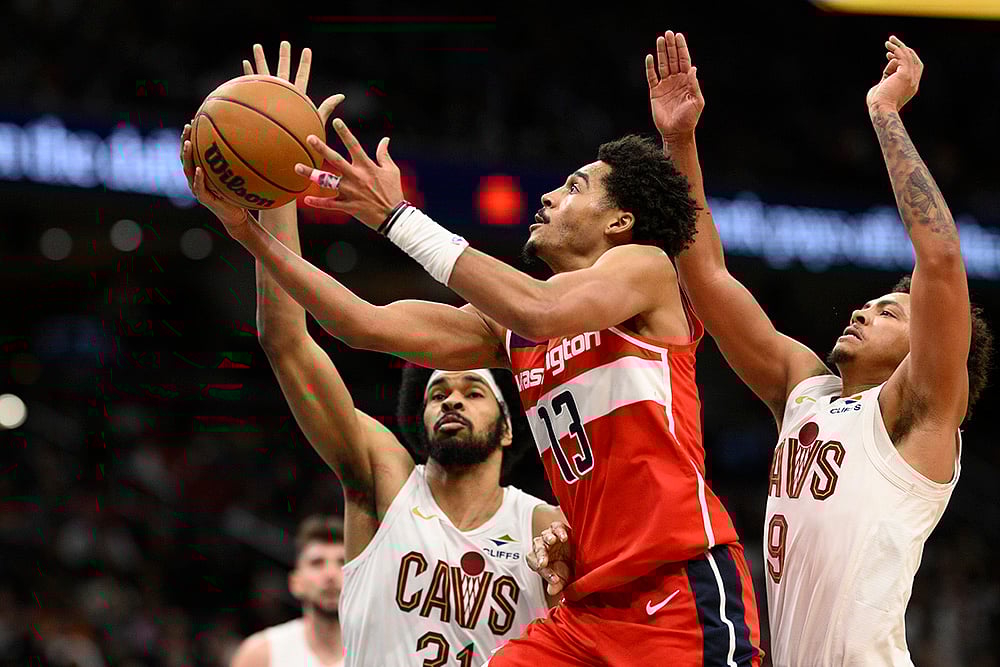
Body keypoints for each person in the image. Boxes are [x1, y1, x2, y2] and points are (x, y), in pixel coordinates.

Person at [185, 35, 765, 665]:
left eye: (573, 186)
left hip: (676, 587)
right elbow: (361, 323)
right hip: (591, 606)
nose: (548, 197)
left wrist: (396, 216)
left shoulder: (645, 270)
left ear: (619, 222)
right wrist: (248, 229)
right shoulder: (505, 331)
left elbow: (541, 309)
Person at [184, 42, 560, 667]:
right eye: (439, 391)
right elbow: (287, 342)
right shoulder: (383, 482)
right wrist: (280, 187)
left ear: (507, 429)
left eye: (470, 391)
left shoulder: (546, 526)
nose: (451, 400)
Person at [643, 31, 992, 665]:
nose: (863, 308)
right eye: (872, 303)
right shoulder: (801, 387)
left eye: (889, 312)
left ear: (927, 350)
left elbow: (940, 257)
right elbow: (708, 275)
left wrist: (885, 115)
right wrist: (680, 143)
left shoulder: (921, 414)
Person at [230, 515, 347, 667]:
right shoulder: (261, 655)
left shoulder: (382, 649)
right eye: (317, 563)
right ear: (295, 582)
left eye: (342, 563)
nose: (331, 574)